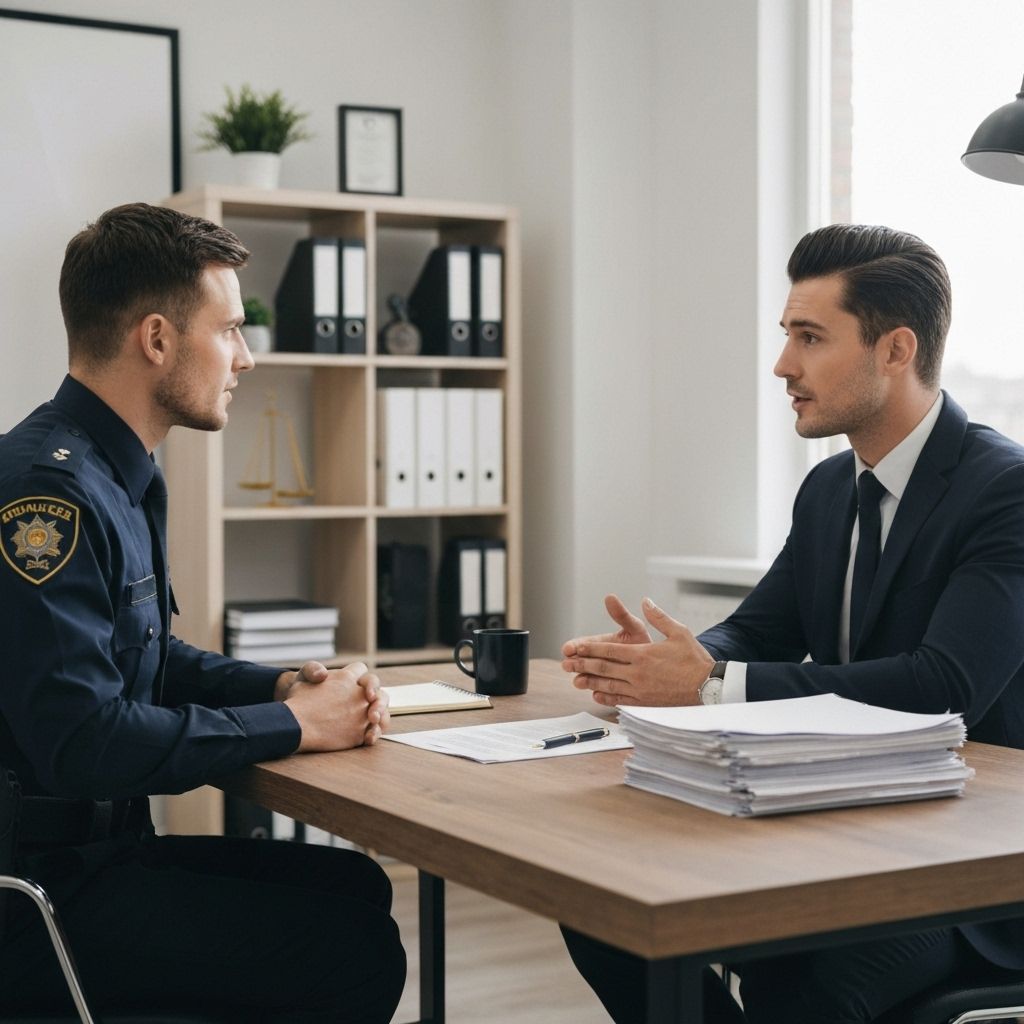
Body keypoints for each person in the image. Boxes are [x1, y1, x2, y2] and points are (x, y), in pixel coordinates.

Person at [560, 223, 1024, 1023]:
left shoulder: (1003, 490)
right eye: (787, 337)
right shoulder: (828, 491)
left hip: (968, 877)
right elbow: (762, 631)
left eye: (810, 338)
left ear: (895, 350)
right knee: (603, 912)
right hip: (840, 829)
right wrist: (682, 658)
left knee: (807, 988)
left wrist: (707, 683)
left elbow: (946, 688)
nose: (783, 366)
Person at [0, 203, 406, 1022]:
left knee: (357, 885)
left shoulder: (122, 474)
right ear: (156, 339)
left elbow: (152, 657)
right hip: (37, 894)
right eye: (229, 330)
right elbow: (85, 740)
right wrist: (296, 727)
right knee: (349, 951)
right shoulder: (47, 493)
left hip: (104, 856)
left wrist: (286, 684)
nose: (246, 358)